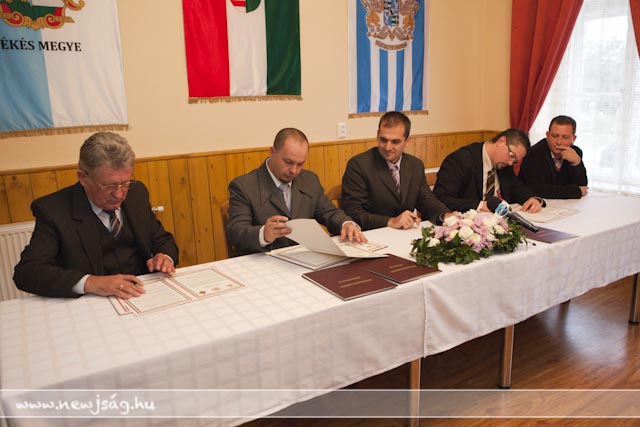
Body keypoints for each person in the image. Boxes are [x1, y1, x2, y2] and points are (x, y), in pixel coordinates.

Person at [14, 132, 178, 299]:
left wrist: (165, 257)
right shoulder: (54, 210)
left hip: (142, 293)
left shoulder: (136, 193)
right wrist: (91, 283)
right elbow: (27, 272)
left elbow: (162, 239)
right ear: (83, 178)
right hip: (92, 300)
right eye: (109, 186)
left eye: (124, 183)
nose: (119, 194)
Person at [226, 127, 366, 256]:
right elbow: (236, 232)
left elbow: (329, 212)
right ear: (272, 152)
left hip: (303, 258)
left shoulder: (309, 180)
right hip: (263, 260)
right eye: (288, 162)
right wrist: (263, 234)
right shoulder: (244, 186)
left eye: (300, 164)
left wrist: (346, 224)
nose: (293, 170)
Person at [341, 111, 452, 230]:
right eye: (383, 140)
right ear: (377, 135)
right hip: (372, 233)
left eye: (395, 142)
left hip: (405, 232)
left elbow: (426, 200)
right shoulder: (359, 165)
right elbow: (353, 212)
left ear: (407, 141)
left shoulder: (415, 165)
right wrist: (391, 221)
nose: (388, 147)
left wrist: (445, 215)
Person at [433, 128, 544, 213]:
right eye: (511, 155)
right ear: (501, 141)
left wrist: (532, 199)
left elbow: (517, 187)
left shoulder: (504, 164)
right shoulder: (461, 160)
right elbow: (442, 198)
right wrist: (481, 205)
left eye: (515, 161)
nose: (511, 163)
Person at [519, 115, 588, 199]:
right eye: (554, 136)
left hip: (566, 204)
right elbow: (538, 189)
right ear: (547, 135)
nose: (559, 142)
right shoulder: (533, 153)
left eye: (565, 137)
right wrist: (575, 191)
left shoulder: (575, 152)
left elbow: (583, 187)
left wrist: (576, 163)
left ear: (573, 138)